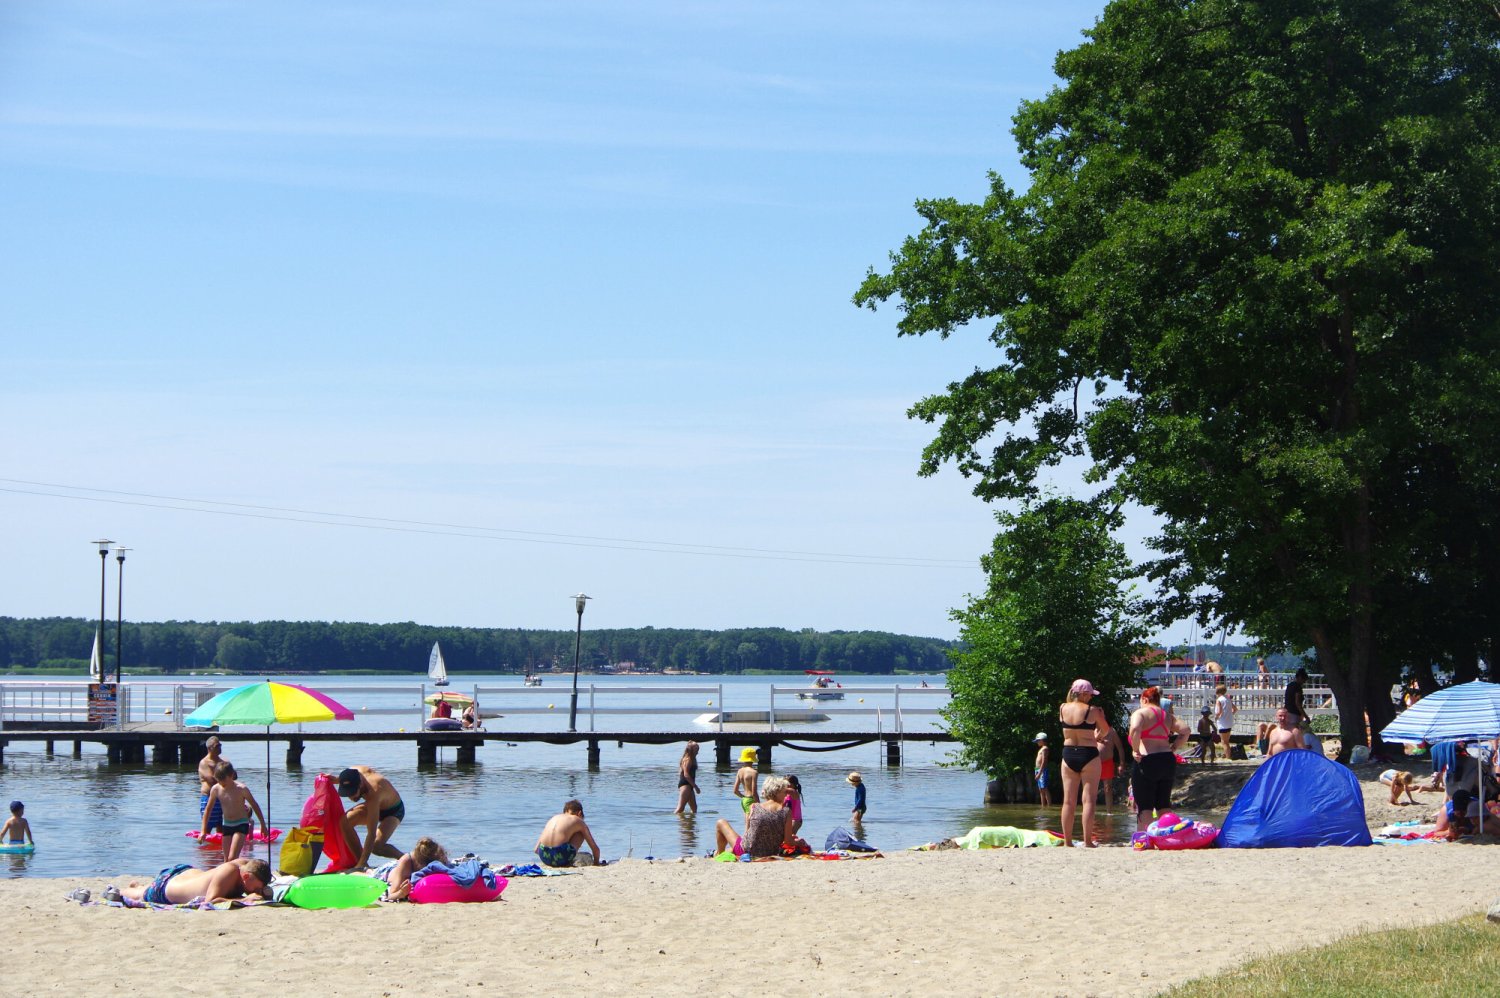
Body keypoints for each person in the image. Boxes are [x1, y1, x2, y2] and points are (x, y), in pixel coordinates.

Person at [1127, 686, 1190, 832]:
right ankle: (1166, 836)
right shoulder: (1167, 716)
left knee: (1145, 805)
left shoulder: (1140, 713)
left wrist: (1135, 749)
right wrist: (1174, 747)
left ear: (1144, 699)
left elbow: (1135, 729)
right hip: (1167, 760)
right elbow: (1186, 730)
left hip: (1147, 759)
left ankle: (1144, 836)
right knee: (1163, 803)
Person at [1058, 678, 1112, 848]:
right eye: (1089, 694)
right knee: (1089, 800)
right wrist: (1100, 722)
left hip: (1068, 754)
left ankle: (1068, 842)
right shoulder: (1093, 710)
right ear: (1082, 693)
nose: (1090, 697)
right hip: (1088, 753)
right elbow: (1106, 730)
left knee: (1068, 801)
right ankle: (1088, 841)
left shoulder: (1062, 708)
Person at [114, 858, 270, 905]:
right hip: (165, 888)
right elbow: (211, 900)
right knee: (141, 894)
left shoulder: (246, 864)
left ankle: (137, 884)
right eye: (257, 888)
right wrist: (244, 899)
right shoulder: (229, 871)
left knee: (143, 888)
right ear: (246, 877)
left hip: (185, 874)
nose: (257, 892)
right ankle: (124, 890)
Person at [713, 775, 800, 859]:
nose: (786, 794)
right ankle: (722, 852)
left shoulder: (754, 807)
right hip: (770, 853)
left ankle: (720, 854)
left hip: (747, 852)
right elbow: (788, 841)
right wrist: (800, 843)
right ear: (780, 792)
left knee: (721, 822)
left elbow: (748, 832)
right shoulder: (786, 811)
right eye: (785, 792)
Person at [335, 766, 405, 870]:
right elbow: (345, 779)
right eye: (347, 794)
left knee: (376, 847)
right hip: (375, 806)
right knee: (345, 822)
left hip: (393, 811)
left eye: (352, 793)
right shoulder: (353, 772)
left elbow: (371, 833)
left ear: (360, 785)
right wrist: (332, 780)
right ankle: (361, 865)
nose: (351, 797)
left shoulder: (373, 792)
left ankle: (406, 859)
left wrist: (363, 861)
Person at [201, 761, 266, 863]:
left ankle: (241, 873)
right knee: (226, 860)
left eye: (224, 781)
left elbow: (255, 805)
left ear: (231, 775)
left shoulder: (242, 789)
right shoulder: (215, 789)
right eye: (219, 781)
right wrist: (203, 831)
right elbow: (208, 810)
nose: (222, 784)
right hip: (227, 825)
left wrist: (263, 825)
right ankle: (235, 876)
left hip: (241, 824)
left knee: (232, 858)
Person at [370, 836, 449, 900]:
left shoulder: (439, 857)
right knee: (369, 874)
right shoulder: (406, 861)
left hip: (397, 865)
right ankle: (363, 870)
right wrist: (401, 893)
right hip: (386, 872)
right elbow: (391, 895)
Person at [535, 799, 603, 867]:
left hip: (544, 856)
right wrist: (596, 863)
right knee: (581, 832)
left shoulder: (553, 818)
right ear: (579, 813)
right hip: (561, 857)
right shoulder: (578, 820)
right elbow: (595, 849)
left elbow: (536, 849)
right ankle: (567, 860)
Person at [197, 736, 229, 837]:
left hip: (221, 798)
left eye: (220, 745)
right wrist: (225, 774)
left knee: (221, 826)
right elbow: (212, 779)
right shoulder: (204, 763)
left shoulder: (222, 762)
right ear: (210, 748)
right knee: (208, 827)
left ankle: (218, 851)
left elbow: (233, 776)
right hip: (209, 797)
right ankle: (206, 850)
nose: (220, 747)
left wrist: (228, 768)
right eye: (217, 746)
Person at [1098, 727, 1127, 808]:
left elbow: (1120, 748)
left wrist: (1121, 764)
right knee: (1091, 789)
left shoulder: (1112, 731)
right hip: (1094, 763)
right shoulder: (1092, 730)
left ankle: (1109, 813)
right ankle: (1090, 813)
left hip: (1107, 762)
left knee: (1108, 788)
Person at [674, 741, 701, 815]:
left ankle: (690, 825)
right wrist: (695, 786)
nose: (698, 752)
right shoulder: (688, 759)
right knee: (680, 808)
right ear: (691, 750)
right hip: (685, 785)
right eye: (696, 750)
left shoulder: (692, 759)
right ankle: (673, 823)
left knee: (694, 808)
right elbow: (686, 774)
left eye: (698, 750)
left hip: (689, 785)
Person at [733, 748, 759, 814]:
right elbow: (754, 792)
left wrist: (743, 797)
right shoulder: (754, 772)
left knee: (747, 819)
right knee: (750, 822)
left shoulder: (740, 771)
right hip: (751, 799)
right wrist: (759, 804)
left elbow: (735, 791)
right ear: (753, 759)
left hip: (744, 800)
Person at [1214, 683, 1236, 758]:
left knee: (1224, 742)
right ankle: (1228, 755)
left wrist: (1216, 717)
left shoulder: (1219, 700)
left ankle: (1228, 757)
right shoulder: (1228, 699)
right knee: (1227, 741)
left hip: (1222, 723)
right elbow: (1235, 709)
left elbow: (1219, 712)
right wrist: (1230, 714)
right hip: (1229, 722)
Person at [1033, 733, 1052, 806]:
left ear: (1042, 740)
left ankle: (1049, 806)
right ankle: (1043, 806)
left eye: (1038, 740)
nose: (1037, 742)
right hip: (1037, 769)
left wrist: (1039, 773)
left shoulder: (1045, 749)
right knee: (1041, 789)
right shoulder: (1041, 749)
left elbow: (1044, 761)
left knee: (1045, 788)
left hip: (1042, 770)